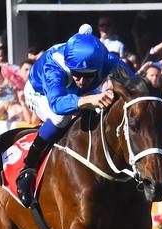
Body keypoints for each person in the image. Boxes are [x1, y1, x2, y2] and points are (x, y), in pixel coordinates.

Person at [15, 24, 133, 208]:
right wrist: (88, 99)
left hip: (75, 93)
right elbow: (58, 104)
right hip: (41, 93)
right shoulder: (54, 64)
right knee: (61, 118)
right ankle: (29, 166)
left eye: (88, 75)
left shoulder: (107, 60)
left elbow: (133, 84)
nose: (82, 81)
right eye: (77, 74)